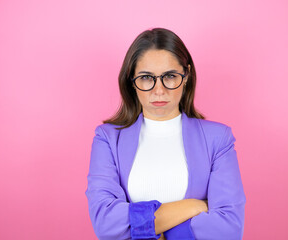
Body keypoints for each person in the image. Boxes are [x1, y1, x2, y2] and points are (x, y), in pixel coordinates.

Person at [85, 27, 246, 240]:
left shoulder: (218, 139)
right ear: (131, 80)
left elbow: (229, 230)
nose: (159, 90)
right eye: (146, 77)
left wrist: (154, 231)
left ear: (186, 75)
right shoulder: (108, 138)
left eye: (170, 76)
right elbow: (106, 224)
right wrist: (193, 206)